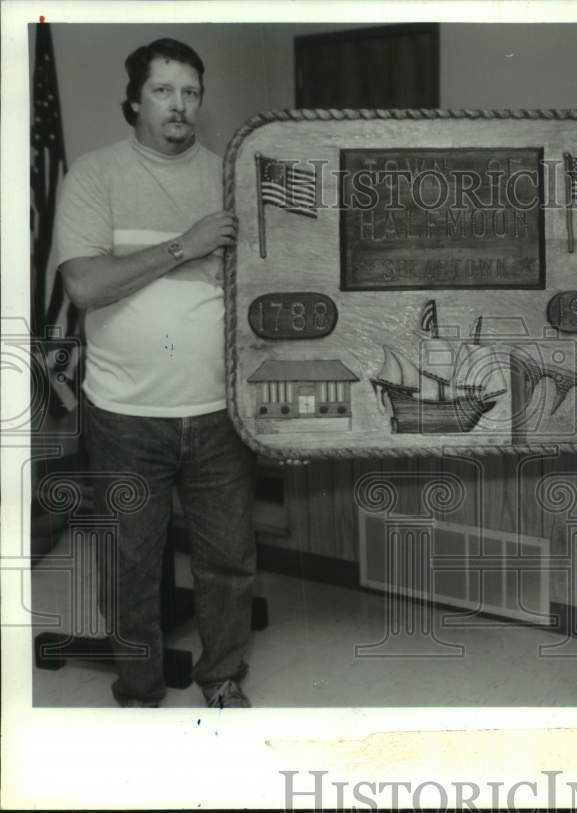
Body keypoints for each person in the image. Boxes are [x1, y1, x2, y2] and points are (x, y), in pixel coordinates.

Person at [54, 38, 255, 708]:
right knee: (131, 563)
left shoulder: (229, 173)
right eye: (164, 90)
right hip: (125, 412)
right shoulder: (94, 175)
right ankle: (139, 689)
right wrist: (182, 245)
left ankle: (223, 677)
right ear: (135, 98)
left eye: (191, 92)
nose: (180, 105)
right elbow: (83, 284)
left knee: (227, 560)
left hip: (218, 408)